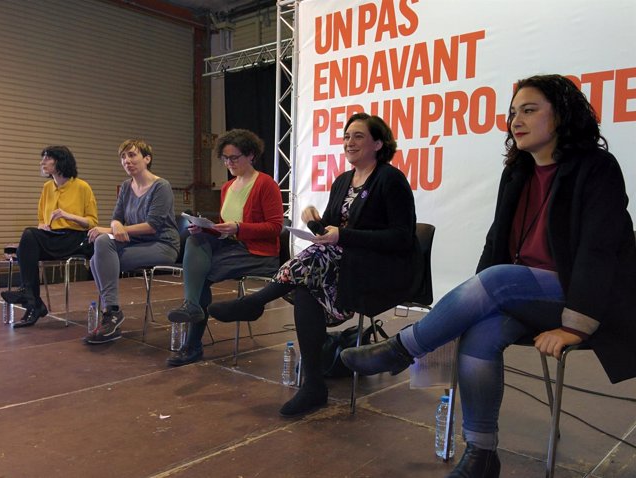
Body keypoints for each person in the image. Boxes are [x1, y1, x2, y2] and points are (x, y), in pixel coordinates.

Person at [340, 74, 636, 477]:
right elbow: (497, 242)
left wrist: (576, 326)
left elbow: (599, 252)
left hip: (582, 297)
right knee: (479, 337)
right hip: (521, 292)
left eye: (529, 110)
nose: (516, 120)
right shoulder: (518, 171)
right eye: (513, 112)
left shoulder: (596, 168)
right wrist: (476, 307)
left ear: (563, 116)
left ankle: (402, 349)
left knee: (498, 280)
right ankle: (482, 455)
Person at [209, 113, 422, 417]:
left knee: (312, 262)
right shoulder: (343, 181)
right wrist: (315, 222)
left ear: (377, 143)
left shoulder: (390, 179)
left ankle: (256, 302)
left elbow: (401, 238)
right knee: (307, 289)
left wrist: (341, 235)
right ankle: (314, 386)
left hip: (382, 268)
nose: (349, 142)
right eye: (347, 136)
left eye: (358, 136)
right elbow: (331, 233)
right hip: (341, 262)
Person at [165, 129, 284, 366]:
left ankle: (193, 344)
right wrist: (205, 228)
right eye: (225, 158)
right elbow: (223, 225)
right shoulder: (228, 187)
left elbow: (275, 227)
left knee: (202, 275)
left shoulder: (265, 184)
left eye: (234, 158)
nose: (229, 163)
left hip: (258, 253)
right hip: (232, 246)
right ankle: (191, 309)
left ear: (251, 155)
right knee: (194, 239)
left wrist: (239, 228)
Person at [84, 139, 179, 344]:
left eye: (132, 155)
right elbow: (117, 216)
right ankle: (113, 312)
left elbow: (152, 225)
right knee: (101, 244)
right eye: (123, 157)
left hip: (163, 244)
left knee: (97, 261)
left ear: (147, 159)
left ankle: (111, 313)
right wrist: (116, 225)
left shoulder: (161, 186)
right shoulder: (126, 186)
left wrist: (115, 228)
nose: (127, 160)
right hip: (135, 242)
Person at [1, 146, 98, 328]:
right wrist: (42, 226)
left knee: (28, 238)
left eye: (47, 158)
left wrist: (68, 215)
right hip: (52, 237)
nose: (42, 162)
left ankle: (31, 299)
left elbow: (92, 222)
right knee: (29, 237)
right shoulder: (47, 188)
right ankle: (33, 300)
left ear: (60, 162)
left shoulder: (82, 186)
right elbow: (41, 220)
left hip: (75, 238)